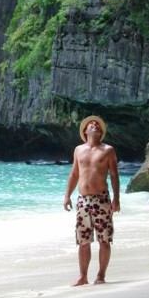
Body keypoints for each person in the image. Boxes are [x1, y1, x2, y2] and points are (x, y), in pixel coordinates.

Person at [63, 115, 120, 286]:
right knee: (83, 240)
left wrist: (116, 199)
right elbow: (74, 174)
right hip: (83, 200)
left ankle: (101, 275)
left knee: (104, 239)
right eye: (91, 124)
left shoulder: (108, 150)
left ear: (100, 132)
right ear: (85, 131)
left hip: (101, 199)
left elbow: (114, 175)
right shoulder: (78, 150)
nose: (94, 125)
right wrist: (67, 195)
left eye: (97, 124)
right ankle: (83, 276)